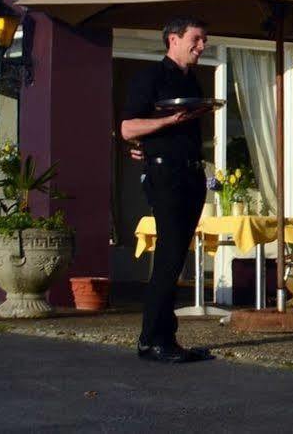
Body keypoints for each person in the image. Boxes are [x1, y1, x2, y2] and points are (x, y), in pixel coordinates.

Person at [121, 18, 219, 364]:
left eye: (205, 40)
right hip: (166, 176)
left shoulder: (191, 80)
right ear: (173, 40)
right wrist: (167, 122)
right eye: (196, 39)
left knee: (175, 257)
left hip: (191, 175)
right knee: (168, 256)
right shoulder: (151, 77)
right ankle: (152, 340)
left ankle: (166, 336)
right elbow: (128, 127)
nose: (202, 45)